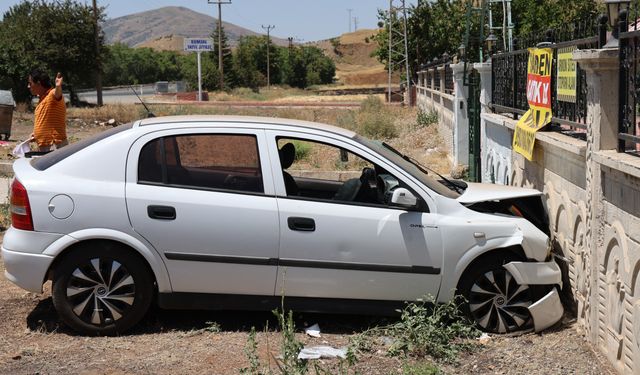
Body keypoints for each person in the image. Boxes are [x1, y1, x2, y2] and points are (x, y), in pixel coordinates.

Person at [27, 69, 68, 151]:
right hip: (46, 146)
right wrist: (36, 134)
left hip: (54, 145)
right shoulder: (42, 99)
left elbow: (57, 94)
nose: (28, 86)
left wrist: (58, 86)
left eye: (30, 83)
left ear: (38, 83)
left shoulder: (52, 94)